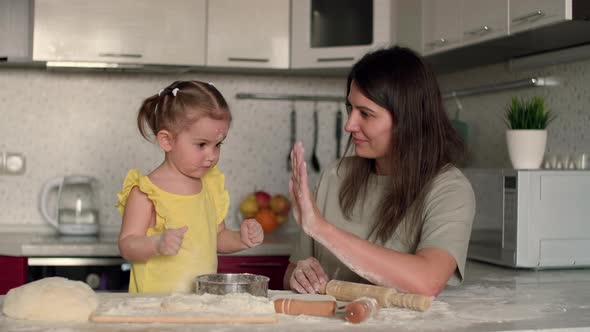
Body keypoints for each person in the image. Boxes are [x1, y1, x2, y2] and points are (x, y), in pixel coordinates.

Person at [285, 46, 475, 297]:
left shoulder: (449, 190)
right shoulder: (335, 176)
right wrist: (299, 276)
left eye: (365, 113)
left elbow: (427, 281)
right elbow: (290, 273)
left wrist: (322, 229)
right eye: (350, 108)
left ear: (407, 120)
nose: (349, 125)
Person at [117, 80, 264, 293]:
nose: (211, 155)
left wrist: (241, 239)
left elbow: (217, 238)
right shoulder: (146, 192)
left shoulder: (209, 186)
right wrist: (156, 244)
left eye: (218, 145)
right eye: (201, 145)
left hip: (200, 305)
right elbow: (127, 245)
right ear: (167, 141)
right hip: (154, 310)